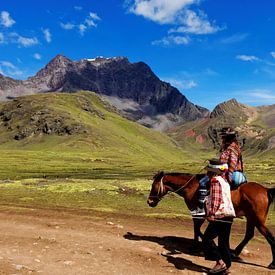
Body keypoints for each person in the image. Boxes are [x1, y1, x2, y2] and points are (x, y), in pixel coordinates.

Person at [190, 127, 244, 216]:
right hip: (226, 172)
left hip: (229, 174)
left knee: (203, 182)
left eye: (223, 137)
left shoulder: (232, 148)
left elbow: (232, 164)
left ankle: (201, 208)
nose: (222, 138)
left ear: (228, 138)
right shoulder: (230, 147)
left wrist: (227, 177)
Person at [202, 159, 235, 274]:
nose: (207, 174)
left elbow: (216, 199)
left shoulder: (215, 181)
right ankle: (226, 266)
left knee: (207, 238)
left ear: (214, 172)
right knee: (223, 242)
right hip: (229, 215)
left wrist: (211, 213)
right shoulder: (225, 182)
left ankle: (219, 262)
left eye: (209, 171)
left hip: (220, 215)